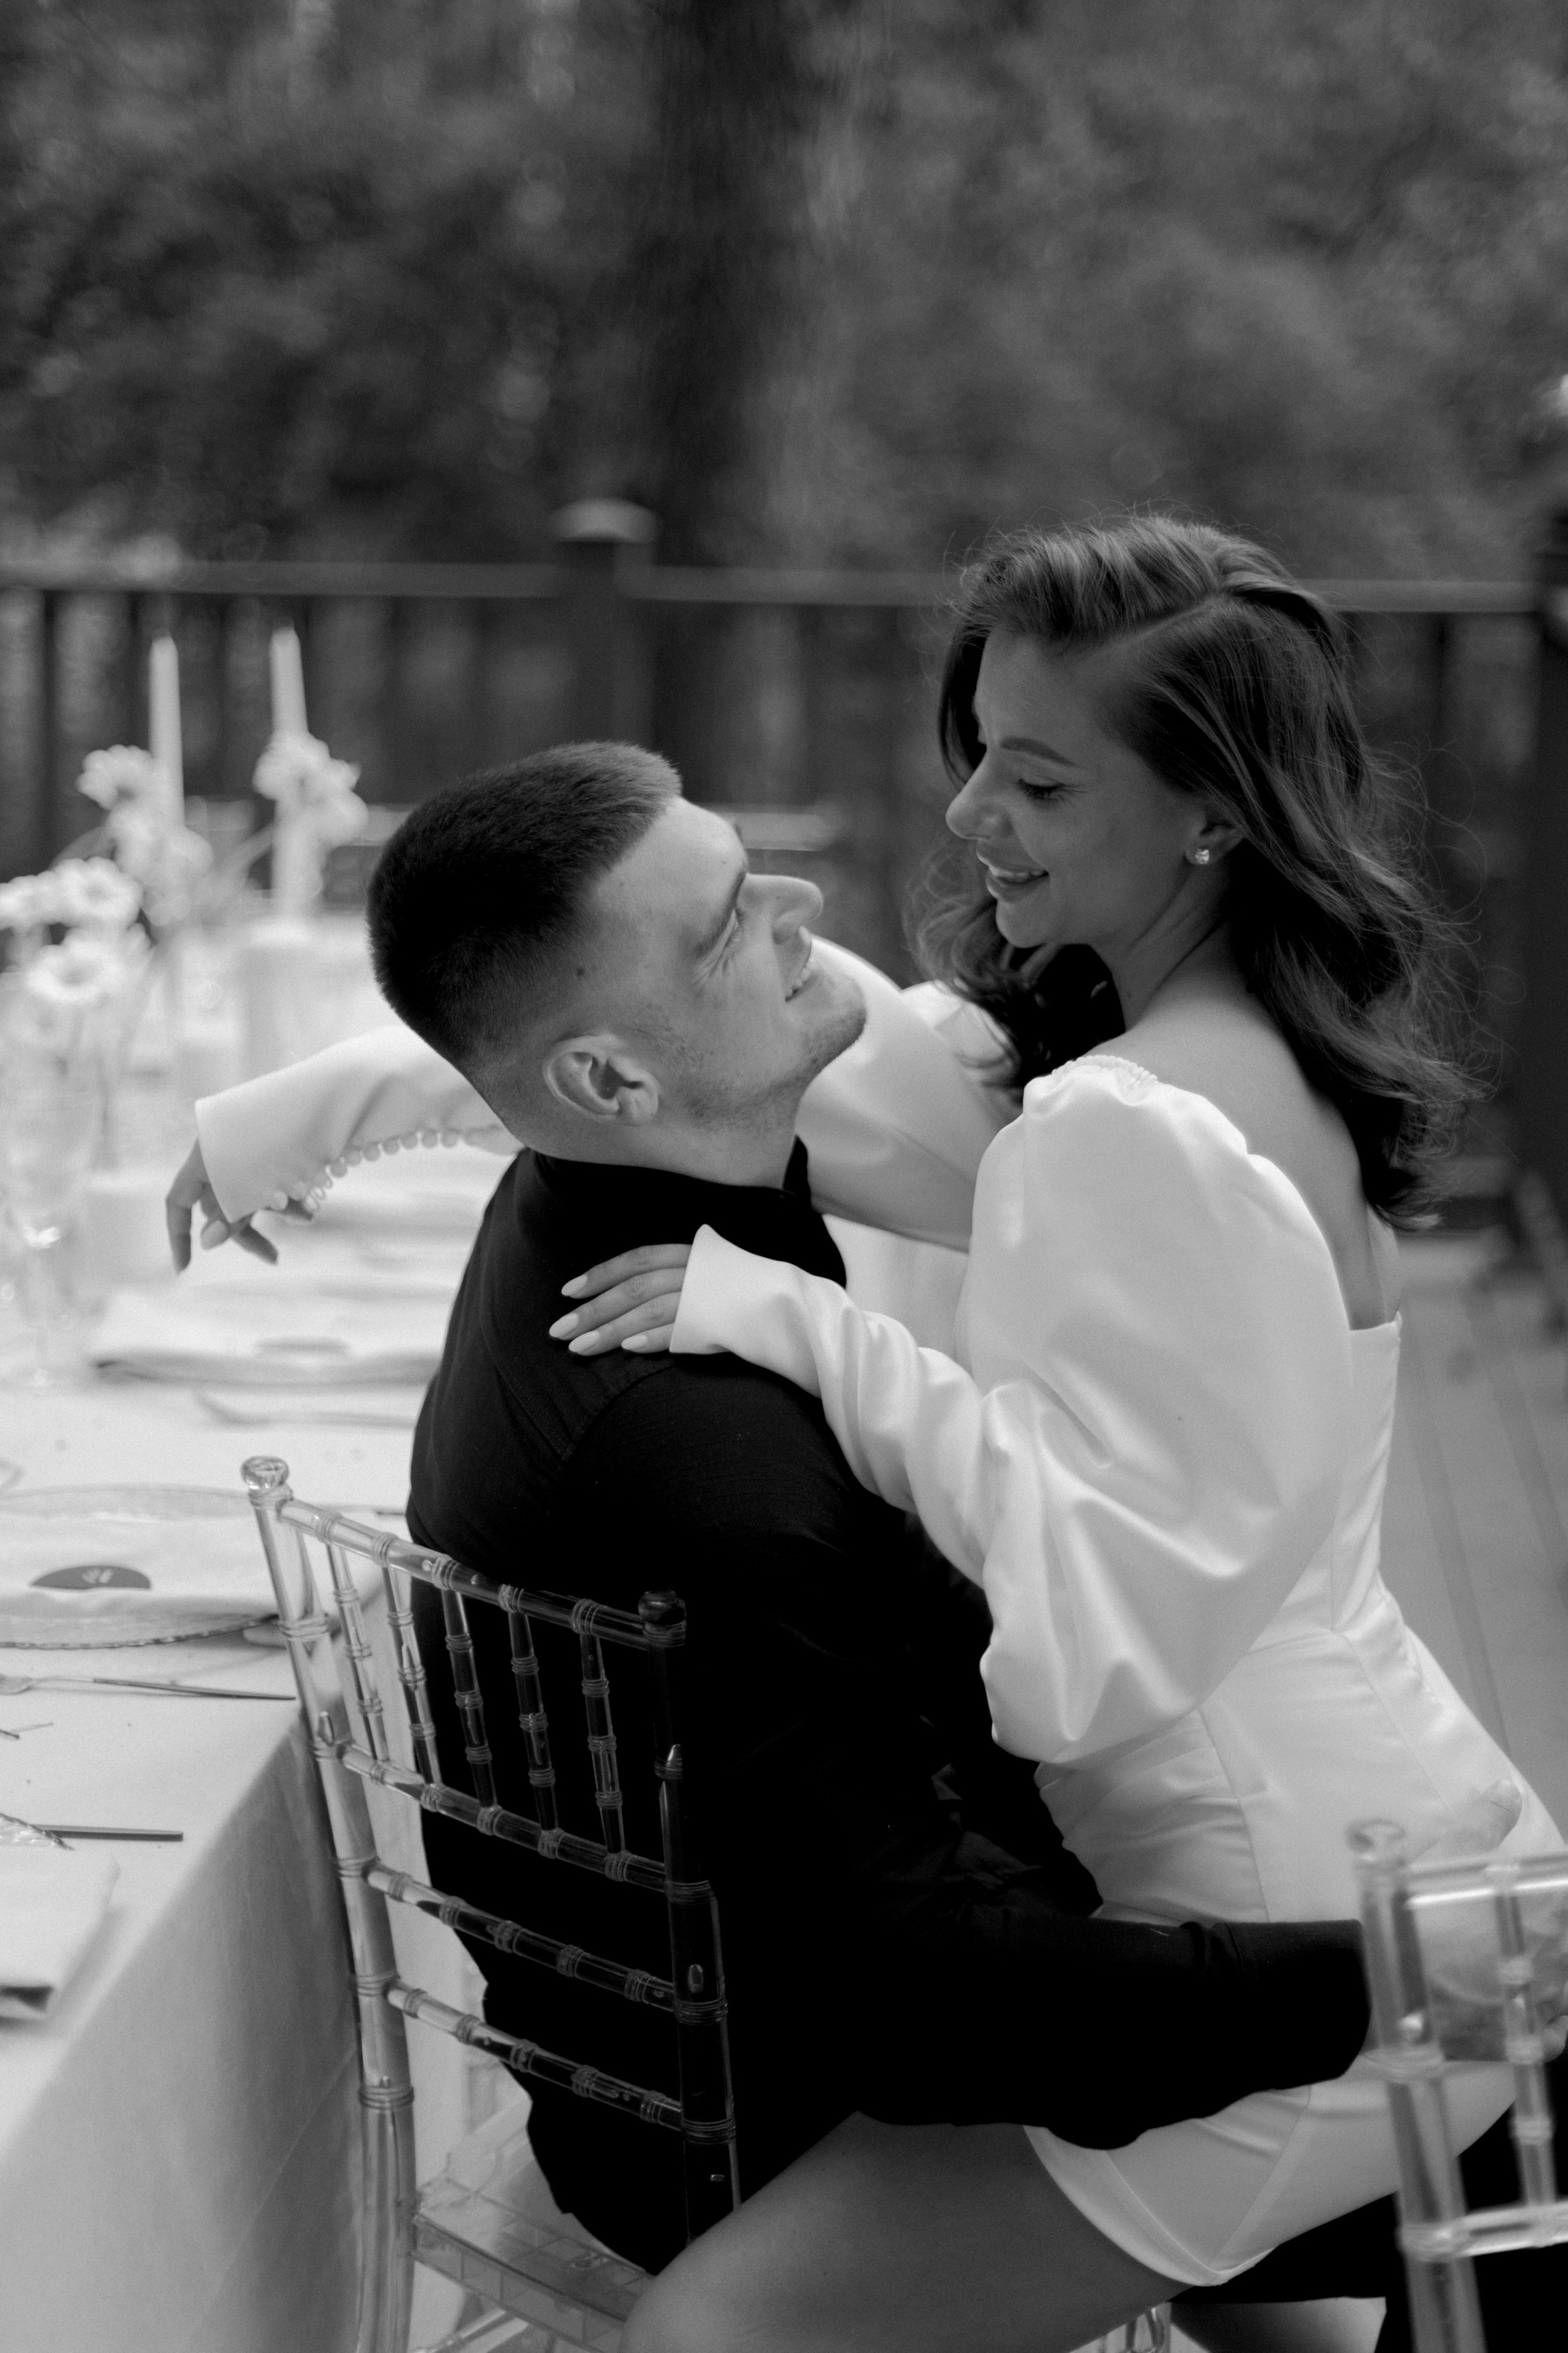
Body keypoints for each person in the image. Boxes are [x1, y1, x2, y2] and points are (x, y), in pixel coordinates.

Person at [167, 736, 1564, 2353]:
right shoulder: (718, 1448)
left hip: (762, 2015)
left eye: (1043, 781)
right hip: (787, 2103)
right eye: (731, 921)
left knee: (1444, 2052)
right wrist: (1404, 1968)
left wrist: (291, 1110)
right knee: (1504, 2068)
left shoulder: (601, 1207)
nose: (815, 900)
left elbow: (598, 1040)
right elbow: (931, 1990)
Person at [531, 519, 1566, 2348]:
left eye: (1040, 777)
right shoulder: (1243, 1050)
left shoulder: (1128, 1125)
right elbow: (774, 1056)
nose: (970, 812)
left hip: (1280, 1936)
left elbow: (1096, 1610)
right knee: (1247, 2315)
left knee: (716, 2332)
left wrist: (800, 1323)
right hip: (1422, 1862)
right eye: (979, 753)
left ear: (1212, 813)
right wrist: (332, 1100)